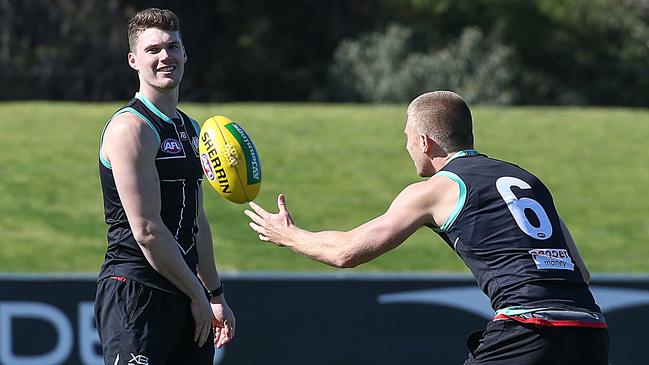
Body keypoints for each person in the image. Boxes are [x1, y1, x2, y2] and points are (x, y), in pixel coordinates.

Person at [244, 90, 609, 364]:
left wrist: (289, 235)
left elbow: (345, 252)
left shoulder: (437, 189)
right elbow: (582, 272)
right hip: (590, 331)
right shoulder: (528, 180)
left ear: (425, 141)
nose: (406, 145)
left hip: (529, 329)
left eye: (407, 137)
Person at [94, 8, 234, 365]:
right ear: (133, 60)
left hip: (186, 294)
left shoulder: (191, 128)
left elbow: (197, 219)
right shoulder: (132, 128)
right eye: (153, 49)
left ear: (185, 54)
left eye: (172, 46)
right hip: (138, 291)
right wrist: (198, 295)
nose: (165, 56)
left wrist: (214, 293)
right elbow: (148, 231)